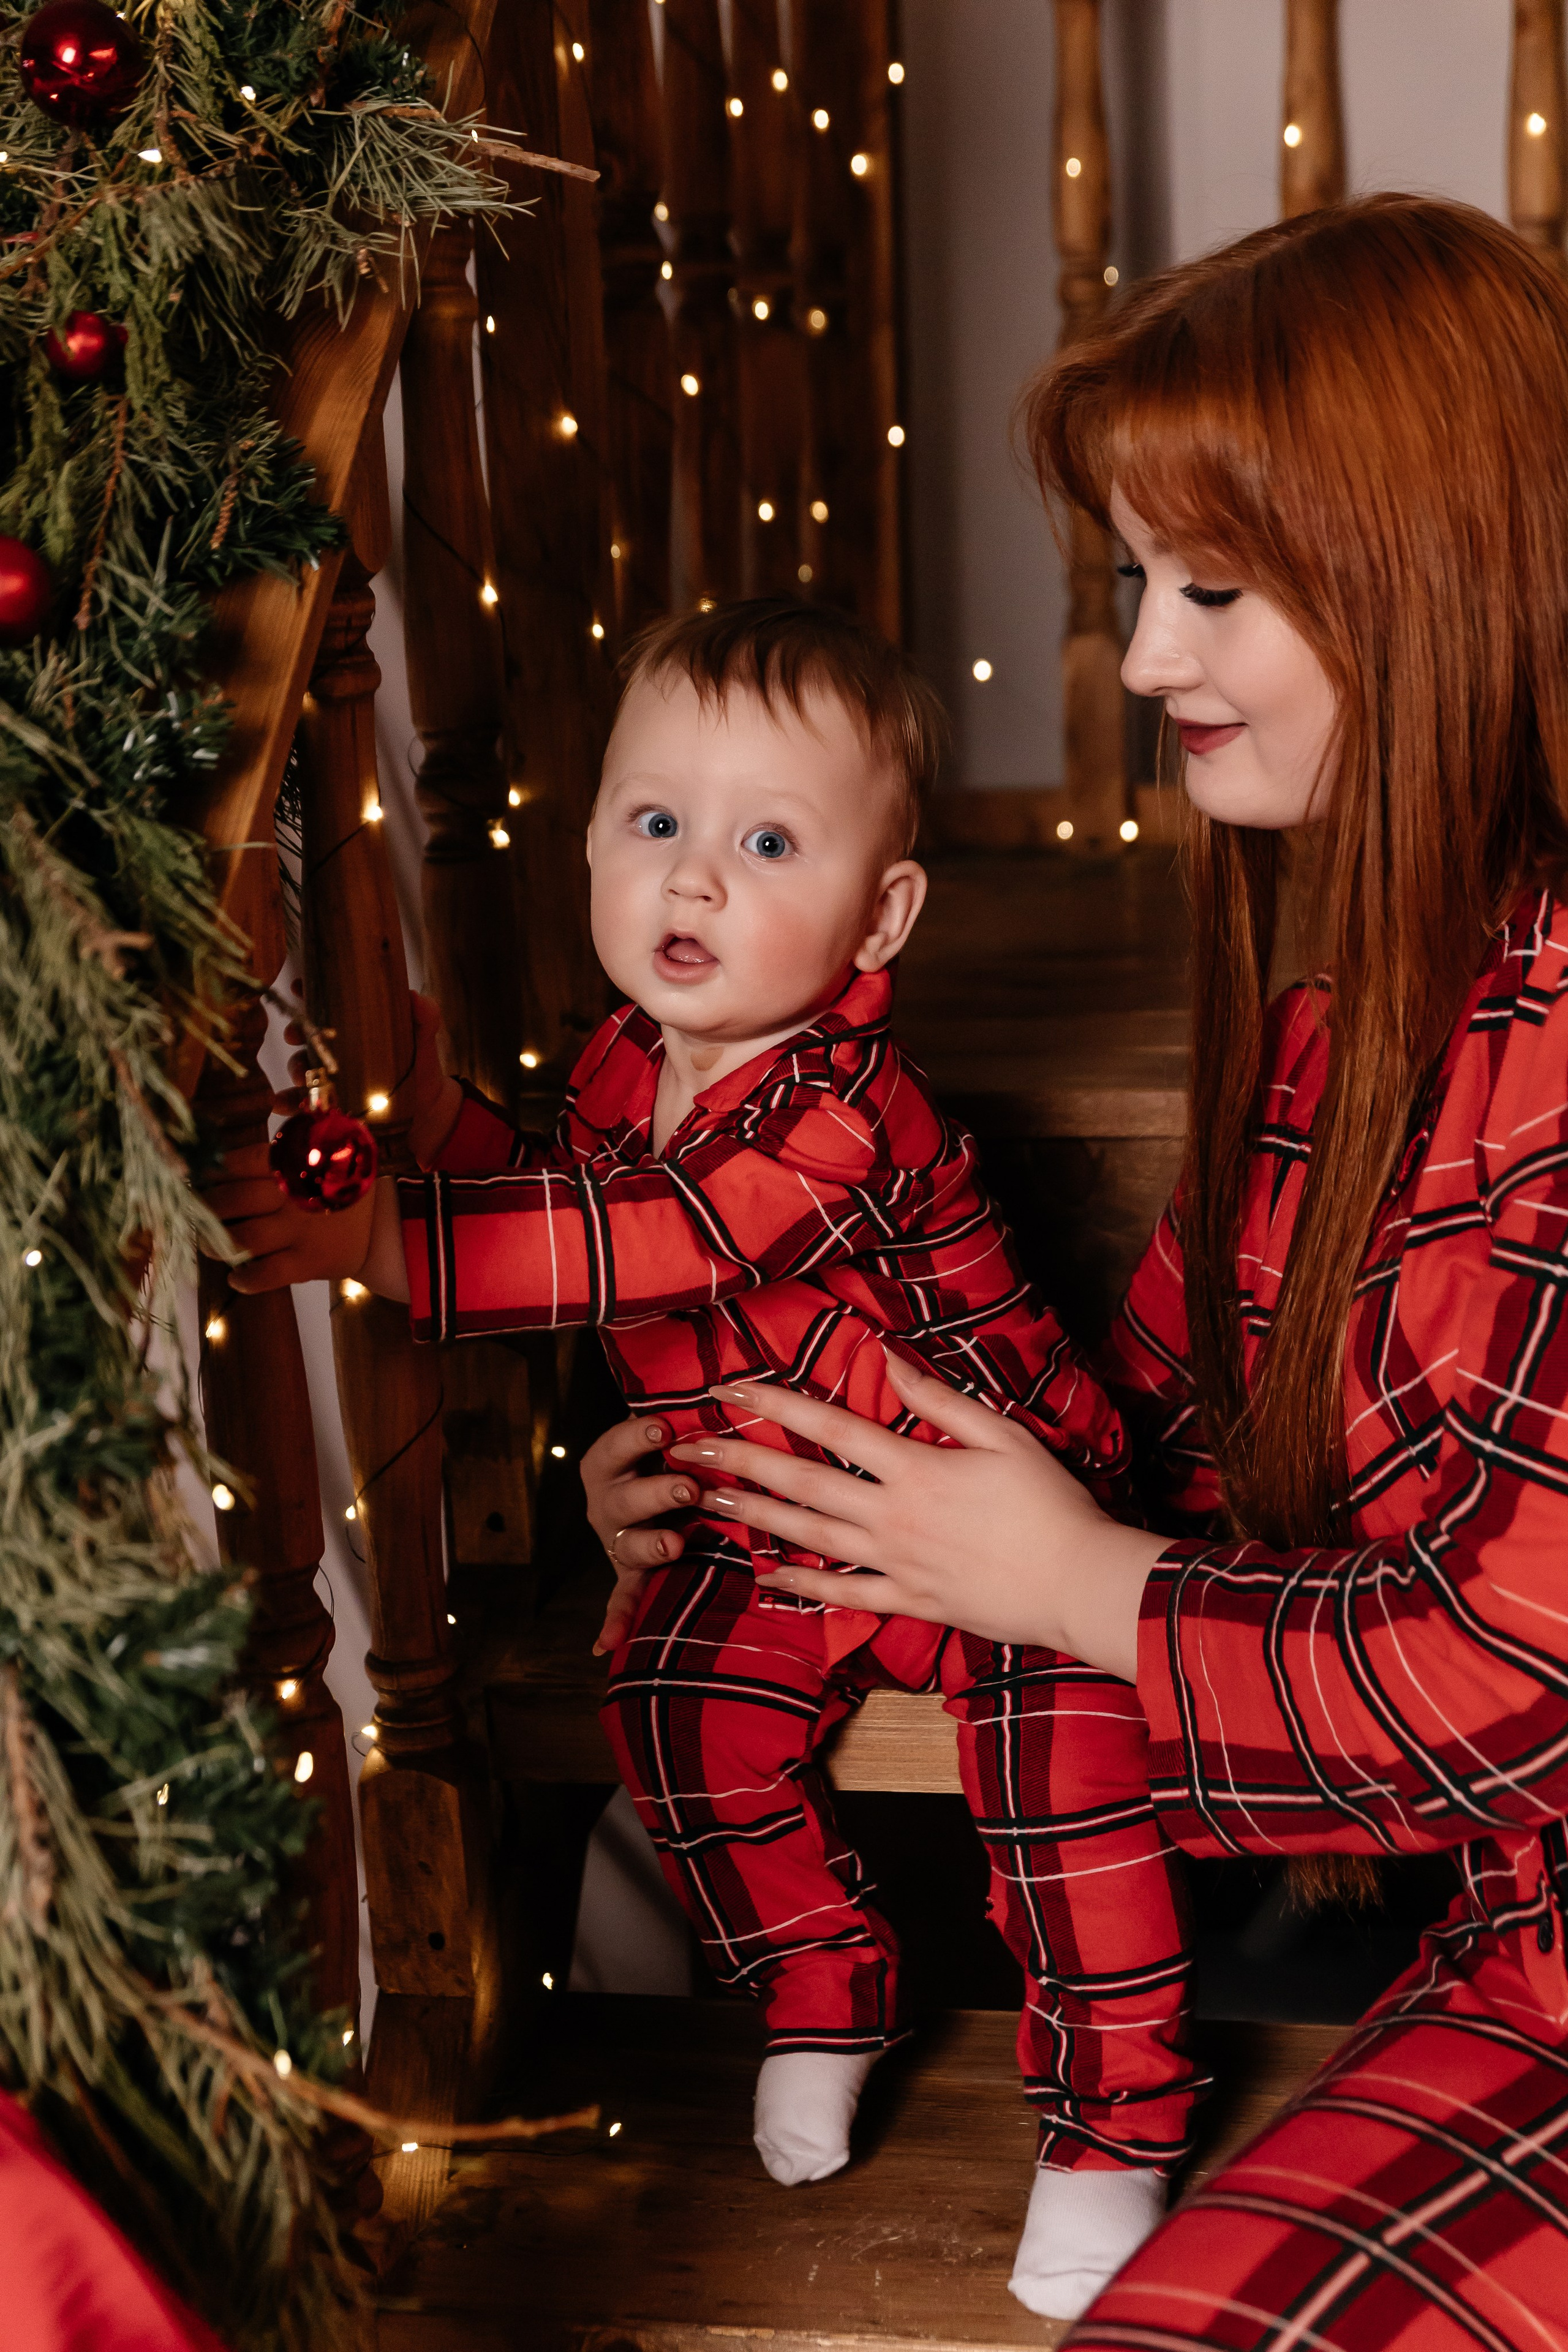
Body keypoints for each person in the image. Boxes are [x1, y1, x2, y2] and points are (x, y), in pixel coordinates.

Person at [580, 195, 1568, 2345]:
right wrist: (773, 1486)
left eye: (1212, 586)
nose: (1139, 659)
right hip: (1510, 1974)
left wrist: (1071, 1587)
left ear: (1438, 584)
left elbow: (1514, 1677)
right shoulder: (1337, 1055)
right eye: (1137, 581)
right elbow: (1142, 1457)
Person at [211, 600, 1199, 2318]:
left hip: (994, 1514)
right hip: (789, 1523)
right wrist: (436, 1118)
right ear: (591, 838)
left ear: (881, 911)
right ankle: (826, 1982)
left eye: (766, 842)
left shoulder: (839, 1110)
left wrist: (389, 1233)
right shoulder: (619, 1070)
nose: (693, 882)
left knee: (1060, 1775)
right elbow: (559, 1185)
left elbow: (641, 1246)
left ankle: (1115, 2118)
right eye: (657, 824)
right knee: (674, 1709)